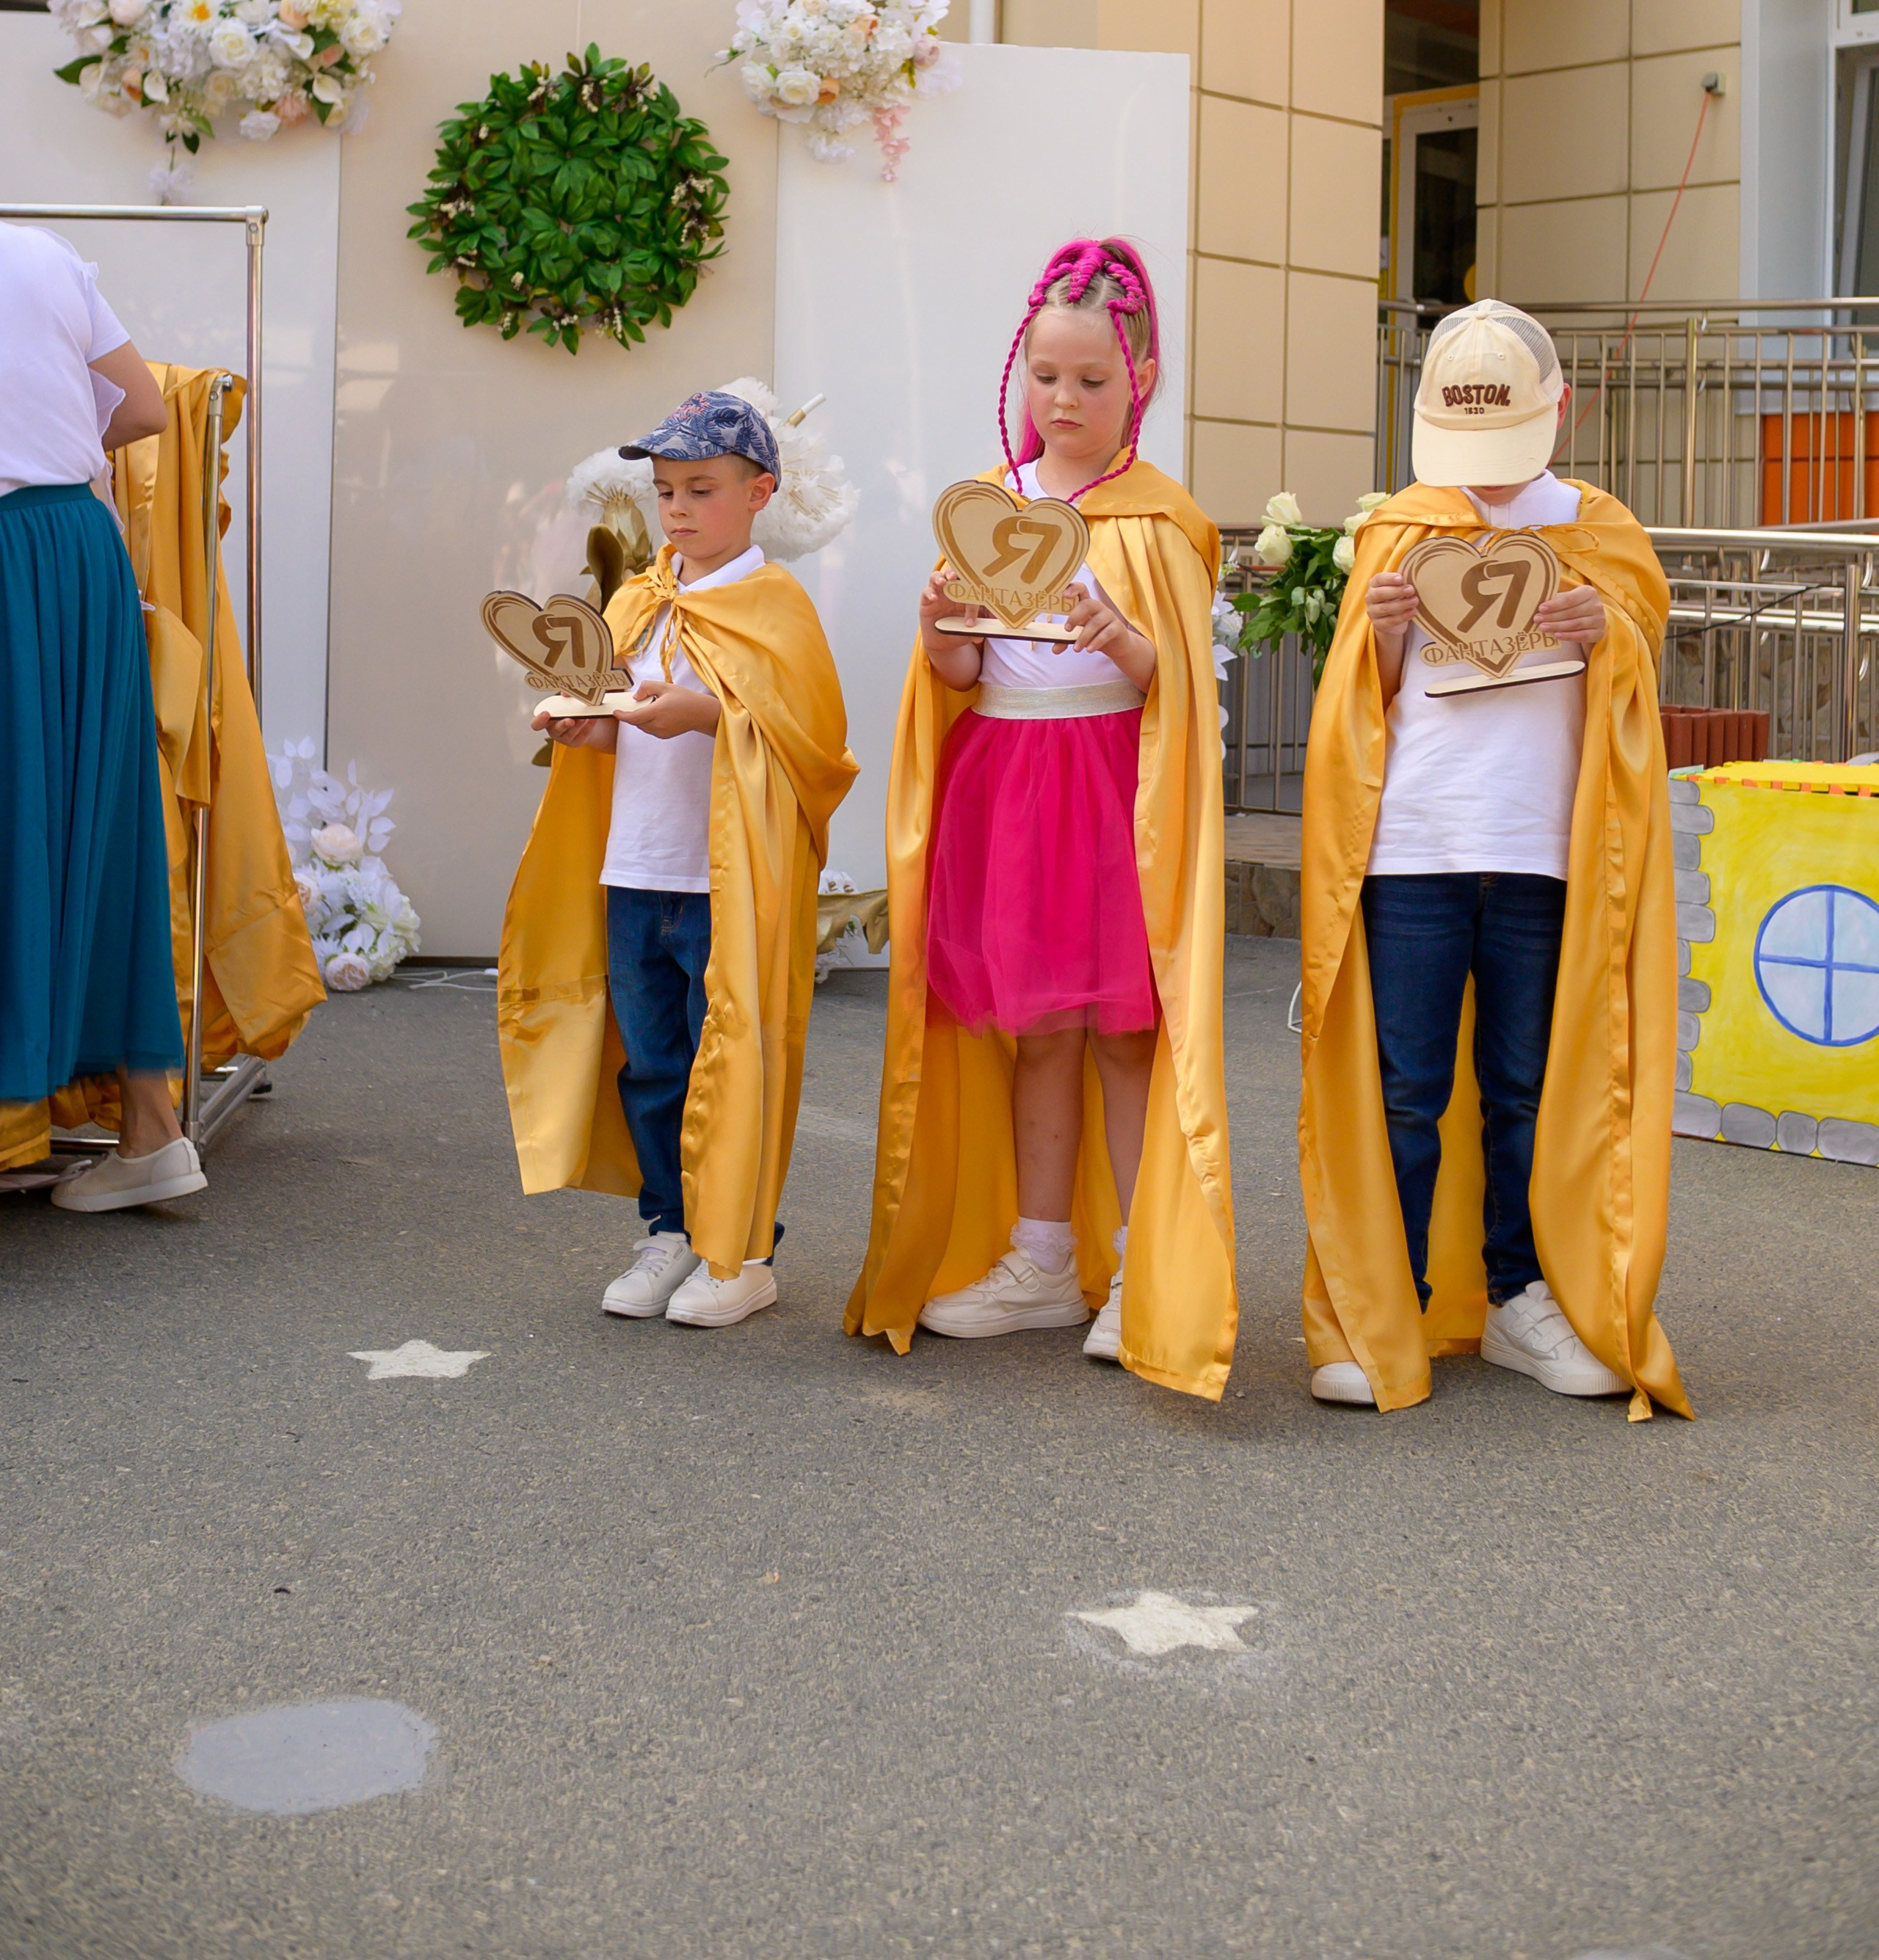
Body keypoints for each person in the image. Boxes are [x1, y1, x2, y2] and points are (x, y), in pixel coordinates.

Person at [846, 239, 1235, 1402]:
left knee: (1124, 1036)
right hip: (1007, 789)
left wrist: (1116, 630)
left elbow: (1175, 683)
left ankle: (1135, 1280)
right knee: (1038, 1033)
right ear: (1022, 371)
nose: (1064, 403)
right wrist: (938, 631)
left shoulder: (1160, 522)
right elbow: (961, 674)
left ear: (1142, 380)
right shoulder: (993, 507)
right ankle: (1043, 1259)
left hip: (1113, 793)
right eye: (1047, 377)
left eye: (1092, 383)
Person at [1298, 299, 1688, 1419]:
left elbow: (1641, 670)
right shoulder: (1401, 529)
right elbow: (1354, 714)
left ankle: (1523, 1300)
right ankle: (1386, 1307)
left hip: (1545, 852)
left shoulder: (1601, 530)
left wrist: (1603, 633)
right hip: (1414, 848)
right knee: (1405, 1093)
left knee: (1528, 1090)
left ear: (1559, 413)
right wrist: (1371, 635)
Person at [497, 390, 855, 1327]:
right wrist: (585, 731)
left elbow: (813, 749)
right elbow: (619, 719)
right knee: (653, 1062)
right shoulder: (637, 600)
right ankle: (668, 1230)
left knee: (731, 1057)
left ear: (759, 492)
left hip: (724, 884)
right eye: (664, 492)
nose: (679, 509)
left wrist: (709, 714)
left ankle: (739, 1249)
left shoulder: (775, 609)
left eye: (701, 488)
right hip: (636, 871)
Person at [0, 222, 206, 1211]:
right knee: (101, 820)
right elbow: (139, 404)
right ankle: (150, 1125)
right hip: (72, 546)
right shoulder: (40, 252)